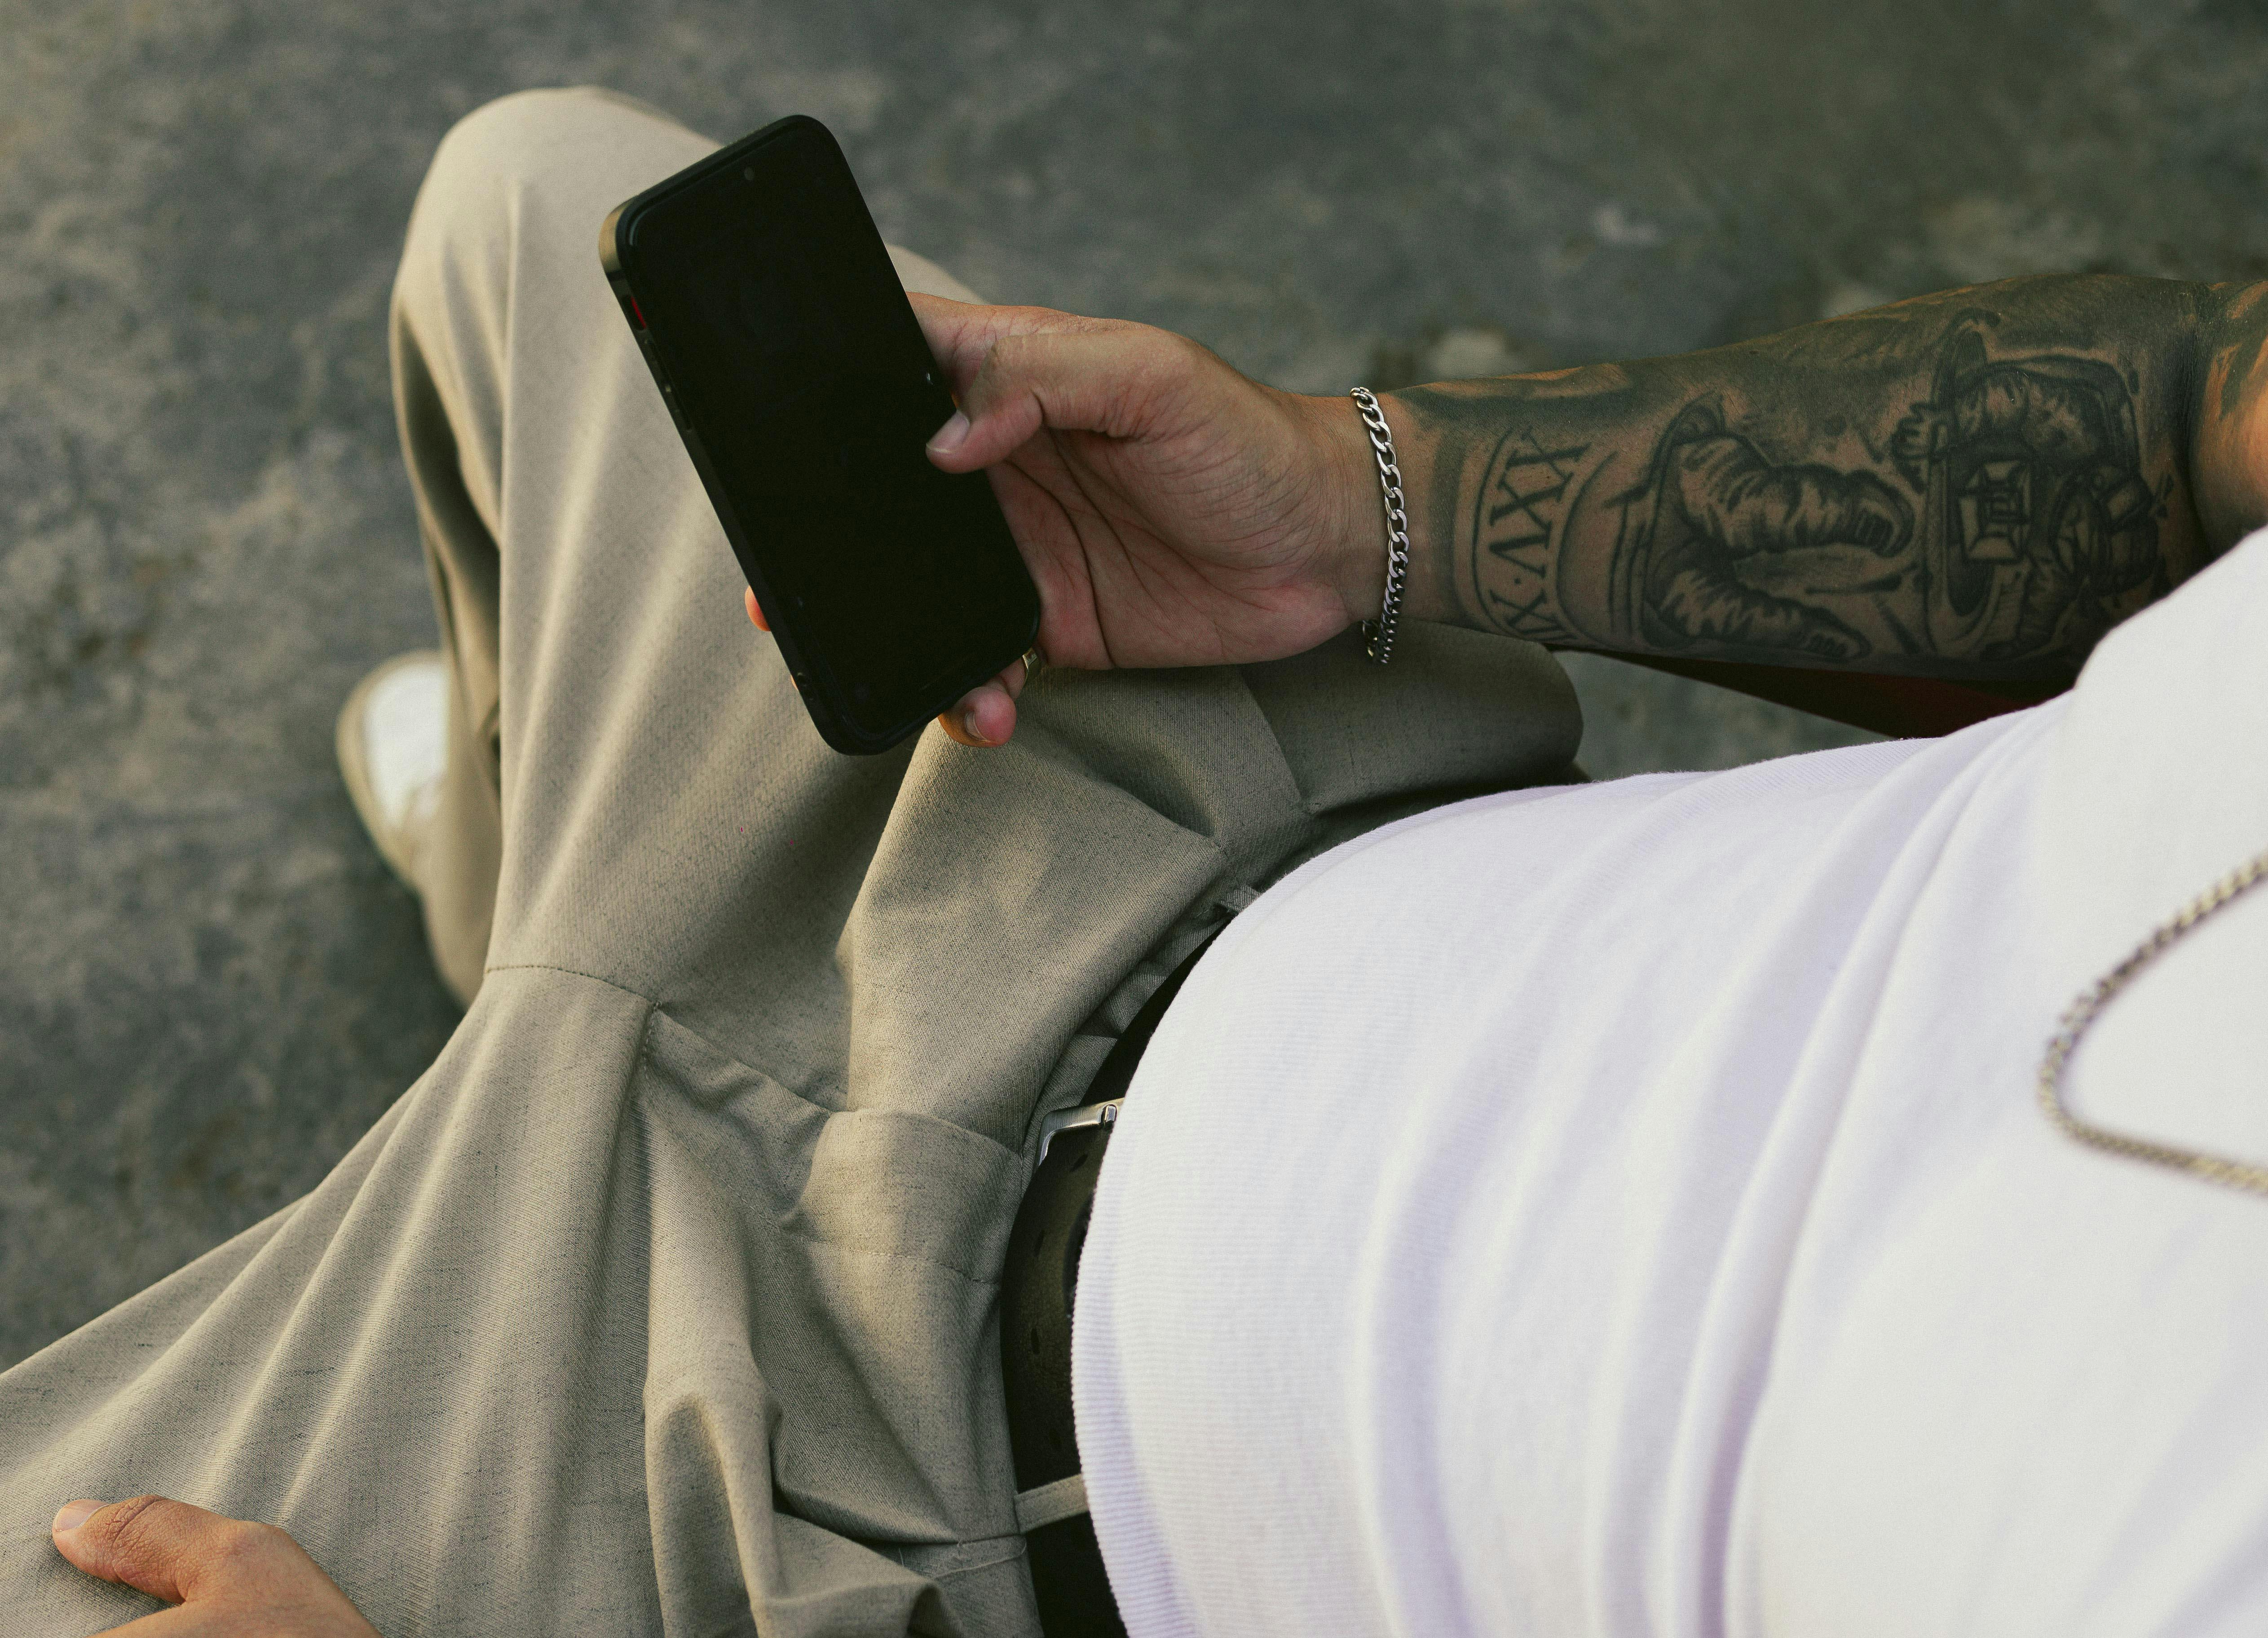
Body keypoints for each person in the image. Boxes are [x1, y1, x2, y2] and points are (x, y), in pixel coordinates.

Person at [10, 84, 2267, 1638]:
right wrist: (1355, 500)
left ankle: (511, 1191)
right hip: (1179, 828)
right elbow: (2194, 442)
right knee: (536, 205)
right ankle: (532, 975)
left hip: (875, 1525)